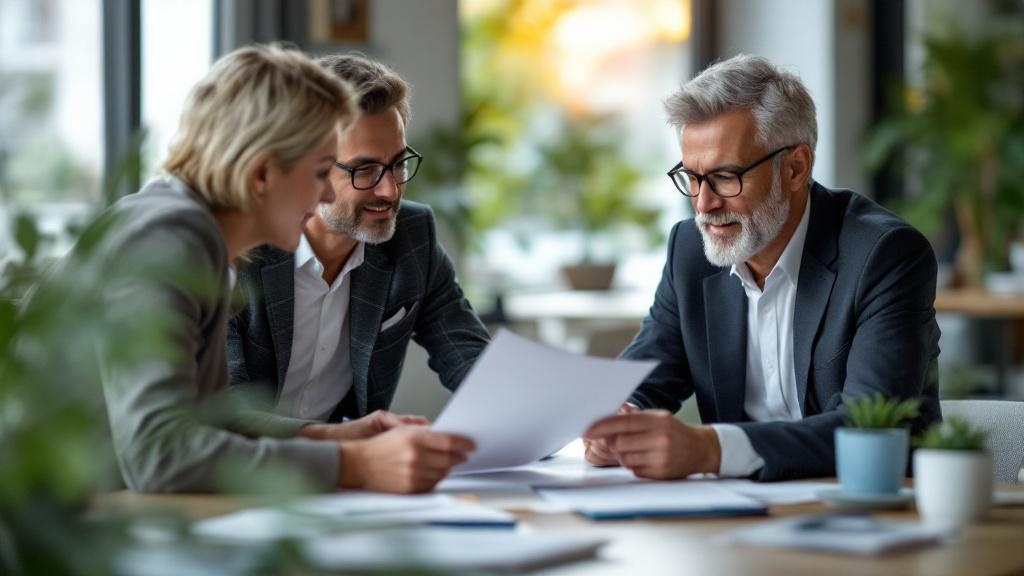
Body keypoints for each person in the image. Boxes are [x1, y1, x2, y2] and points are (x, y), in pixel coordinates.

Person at [96, 44, 474, 494]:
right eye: (319, 173)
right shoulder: (167, 240)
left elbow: (209, 418)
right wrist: (352, 463)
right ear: (262, 173)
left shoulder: (200, 237)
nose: (326, 198)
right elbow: (159, 454)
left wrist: (333, 437)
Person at [583, 54, 941, 481]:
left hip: (872, 510)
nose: (703, 204)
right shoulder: (690, 252)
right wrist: (618, 419)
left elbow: (870, 427)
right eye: (692, 177)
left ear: (795, 168)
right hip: (738, 516)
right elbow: (646, 377)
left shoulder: (884, 255)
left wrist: (709, 448)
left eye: (726, 177)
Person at [227, 54, 489, 441]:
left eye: (398, 163)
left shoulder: (412, 238)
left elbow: (474, 363)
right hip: (232, 481)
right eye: (364, 169)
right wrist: (356, 444)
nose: (391, 190)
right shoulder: (236, 247)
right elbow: (220, 414)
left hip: (341, 491)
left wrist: (580, 423)